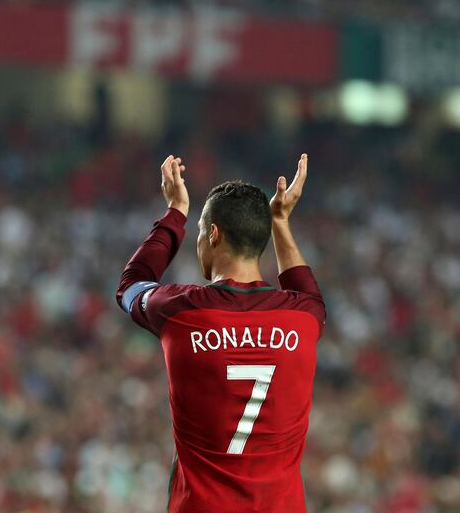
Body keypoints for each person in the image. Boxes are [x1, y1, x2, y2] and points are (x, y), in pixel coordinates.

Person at [116, 154, 326, 512]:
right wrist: (279, 221)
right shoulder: (302, 318)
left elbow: (132, 284)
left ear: (212, 234)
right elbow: (309, 292)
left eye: (199, 229)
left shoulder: (180, 310)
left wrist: (175, 211)